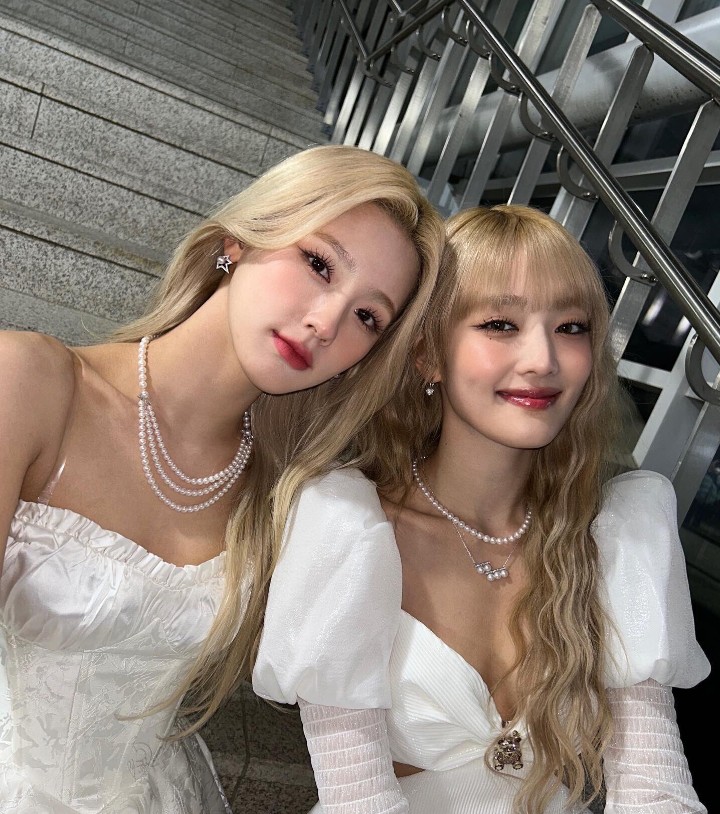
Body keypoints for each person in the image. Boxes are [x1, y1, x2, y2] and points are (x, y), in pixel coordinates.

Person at [0, 144, 445, 813]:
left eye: (367, 317)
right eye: (319, 263)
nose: (325, 323)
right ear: (238, 241)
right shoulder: (30, 382)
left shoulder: (285, 498)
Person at [253, 204, 710, 814]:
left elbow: (655, 791)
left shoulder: (620, 534)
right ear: (427, 353)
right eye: (500, 324)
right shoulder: (347, 526)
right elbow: (357, 800)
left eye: (571, 327)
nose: (543, 360)